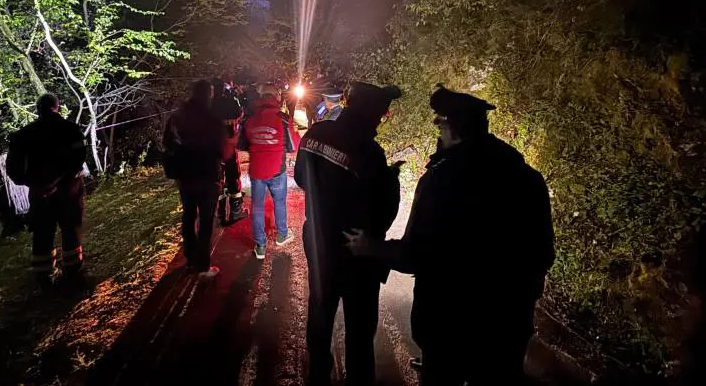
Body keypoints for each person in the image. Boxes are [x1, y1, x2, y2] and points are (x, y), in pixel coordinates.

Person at [346, 86, 555, 386]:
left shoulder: (440, 180)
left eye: (441, 125)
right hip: (509, 322)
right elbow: (543, 253)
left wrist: (370, 247)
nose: (439, 134)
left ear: (453, 130)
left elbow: (415, 254)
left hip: (449, 324)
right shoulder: (527, 177)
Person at [295, 81, 403, 386]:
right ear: (369, 112)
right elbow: (383, 212)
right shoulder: (369, 151)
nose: (383, 117)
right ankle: (358, 379)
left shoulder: (314, 134)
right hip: (358, 253)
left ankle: (318, 374)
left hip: (317, 241)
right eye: (382, 112)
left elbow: (302, 178)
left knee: (320, 307)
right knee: (359, 325)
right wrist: (391, 181)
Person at [6, 94, 87, 290]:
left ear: (38, 109)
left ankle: (45, 279)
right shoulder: (70, 130)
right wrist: (64, 178)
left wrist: (33, 183)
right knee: (70, 229)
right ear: (57, 107)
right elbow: (80, 158)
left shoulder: (23, 136)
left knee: (42, 234)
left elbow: (12, 168)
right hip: (69, 192)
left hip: (40, 194)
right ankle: (73, 274)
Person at [163, 79, 225, 279]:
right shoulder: (213, 119)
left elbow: (167, 143)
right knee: (206, 220)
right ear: (208, 94)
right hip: (207, 176)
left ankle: (190, 258)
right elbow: (219, 150)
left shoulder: (178, 117)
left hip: (186, 175)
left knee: (188, 216)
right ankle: (203, 265)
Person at [238, 83, 300, 259]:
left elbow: (242, 146)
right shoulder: (283, 118)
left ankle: (260, 246)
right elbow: (294, 145)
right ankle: (282, 234)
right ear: (277, 98)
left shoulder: (249, 119)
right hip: (277, 169)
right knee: (279, 201)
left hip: (257, 170)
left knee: (257, 206)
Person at [211, 78, 248, 225]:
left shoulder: (207, 105)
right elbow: (240, 114)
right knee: (233, 176)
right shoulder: (231, 102)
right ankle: (235, 212)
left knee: (216, 179)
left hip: (213, 147)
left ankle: (218, 213)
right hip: (229, 146)